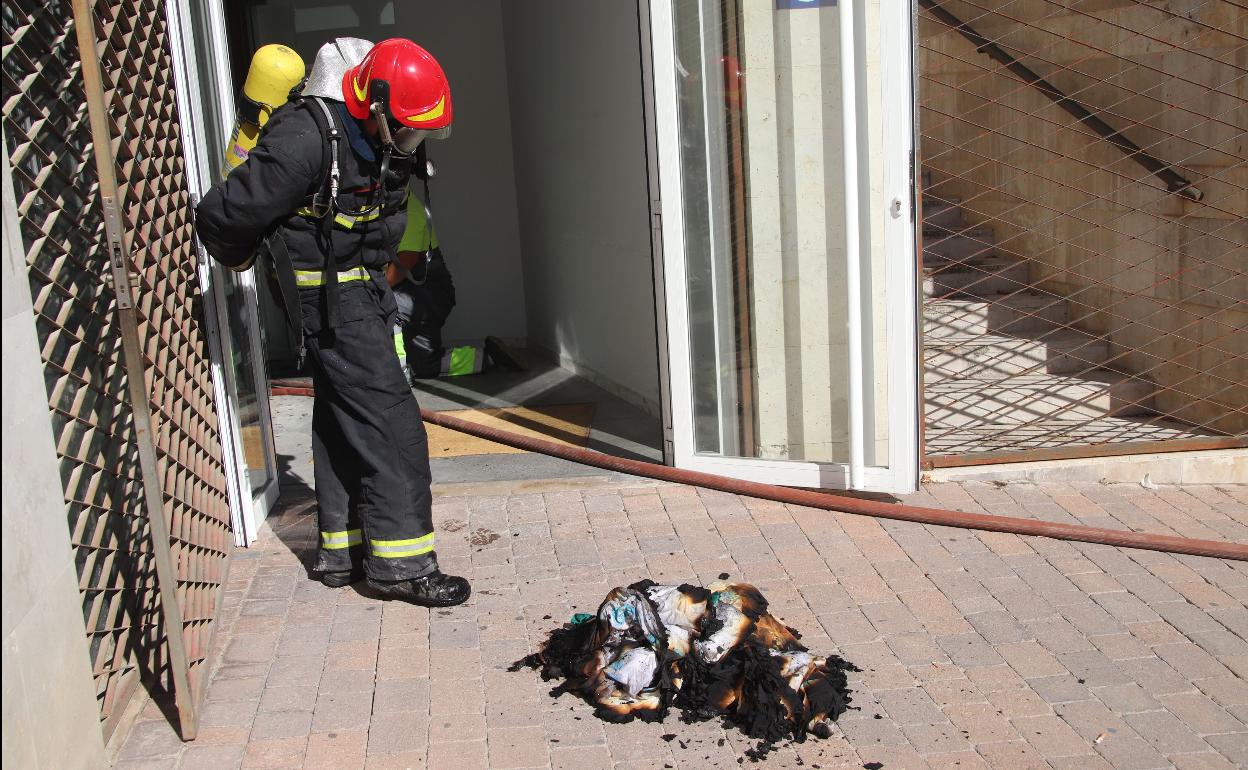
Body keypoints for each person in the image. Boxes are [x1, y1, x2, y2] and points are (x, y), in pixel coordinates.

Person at [195, 38, 470, 607]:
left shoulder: (368, 130)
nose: (412, 144)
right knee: (394, 429)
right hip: (336, 307)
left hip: (358, 295)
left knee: (344, 420)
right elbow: (221, 215)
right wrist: (249, 257)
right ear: (373, 104)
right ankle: (404, 568)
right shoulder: (306, 139)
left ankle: (342, 554)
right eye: (409, 129)